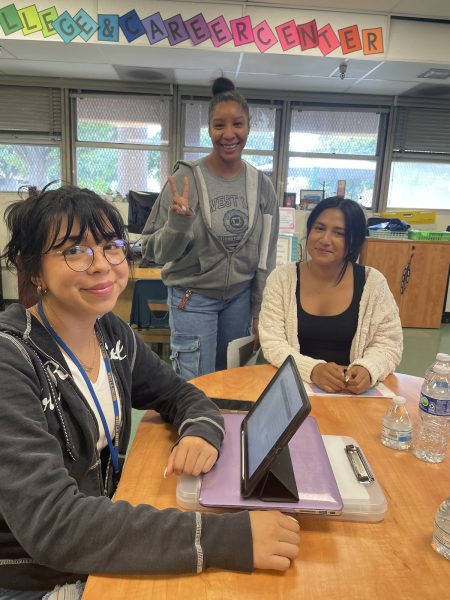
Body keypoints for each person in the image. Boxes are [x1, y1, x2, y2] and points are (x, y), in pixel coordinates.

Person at [0, 185, 299, 598]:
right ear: (34, 271)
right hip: (40, 575)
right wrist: (218, 538)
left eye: (111, 246)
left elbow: (182, 394)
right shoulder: (11, 360)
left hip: (101, 534)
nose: (103, 266)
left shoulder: (109, 332)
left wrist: (200, 430)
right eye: (75, 251)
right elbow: (54, 525)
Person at [141, 77, 279, 379]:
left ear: (249, 127)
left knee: (230, 382)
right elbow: (153, 251)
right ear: (209, 129)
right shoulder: (184, 180)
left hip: (239, 300)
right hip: (194, 297)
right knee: (196, 385)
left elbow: (266, 258)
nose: (229, 134)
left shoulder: (261, 185)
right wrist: (179, 224)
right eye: (219, 126)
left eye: (237, 124)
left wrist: (259, 312)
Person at [259, 196, 403, 394]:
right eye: (319, 228)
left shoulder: (373, 283)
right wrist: (312, 370)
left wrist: (369, 368)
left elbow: (389, 344)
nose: (325, 240)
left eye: (339, 233)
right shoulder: (281, 279)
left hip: (352, 393)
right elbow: (272, 342)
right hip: (294, 388)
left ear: (353, 241)